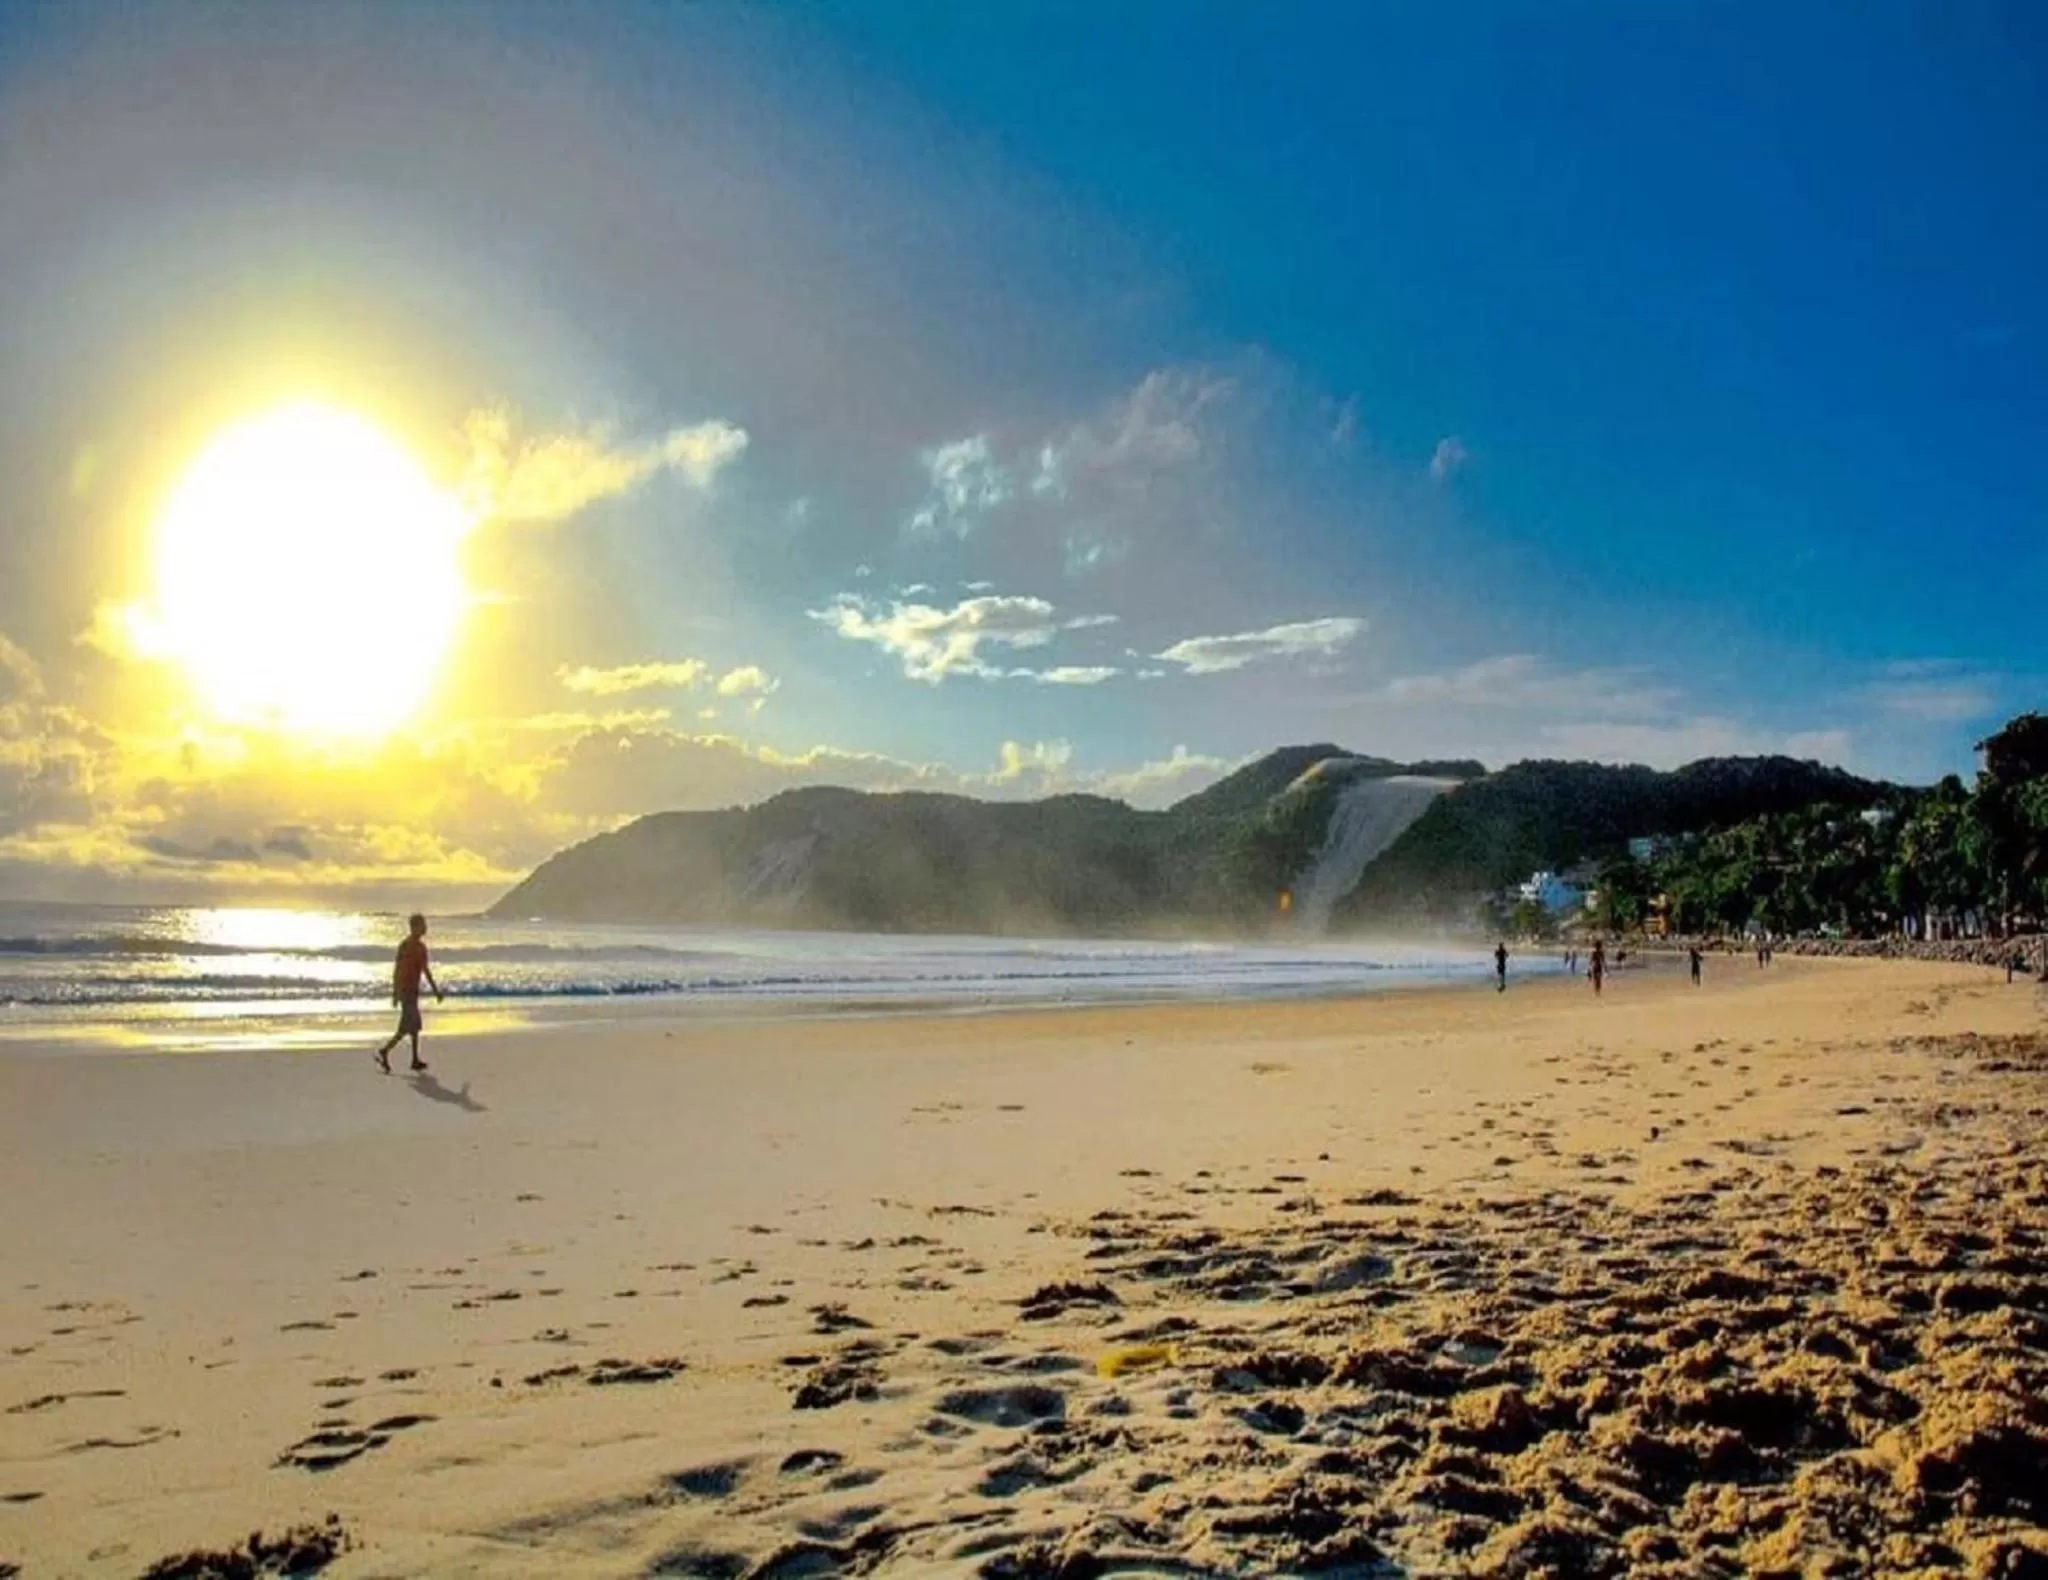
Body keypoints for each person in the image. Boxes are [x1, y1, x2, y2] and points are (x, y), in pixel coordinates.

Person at [376, 913, 442, 1074]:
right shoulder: (407, 946)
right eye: (422, 925)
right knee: (408, 1027)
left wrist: (435, 990)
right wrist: (395, 992)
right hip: (407, 992)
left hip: (412, 991)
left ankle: (412, 1059)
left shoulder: (419, 947)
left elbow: (424, 971)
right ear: (415, 927)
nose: (425, 928)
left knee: (413, 1027)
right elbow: (398, 971)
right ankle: (387, 1051)